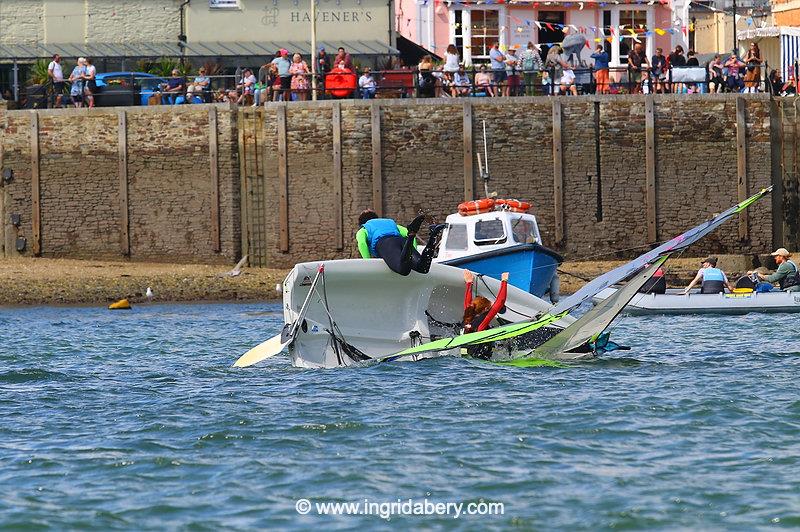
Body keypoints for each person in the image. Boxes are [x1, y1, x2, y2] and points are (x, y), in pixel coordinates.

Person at [355, 210, 444, 276]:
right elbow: (406, 232)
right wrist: (413, 252)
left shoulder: (364, 228)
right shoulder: (389, 223)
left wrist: (368, 263)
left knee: (403, 270)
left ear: (361, 223)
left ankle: (412, 234)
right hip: (402, 241)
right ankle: (433, 235)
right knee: (422, 267)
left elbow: (362, 243)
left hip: (386, 244)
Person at [462, 270, 509, 359]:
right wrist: (504, 281)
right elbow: (500, 302)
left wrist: (469, 283)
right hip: (480, 361)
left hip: (465, 356)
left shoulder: (467, 316)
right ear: (485, 309)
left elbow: (467, 303)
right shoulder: (482, 321)